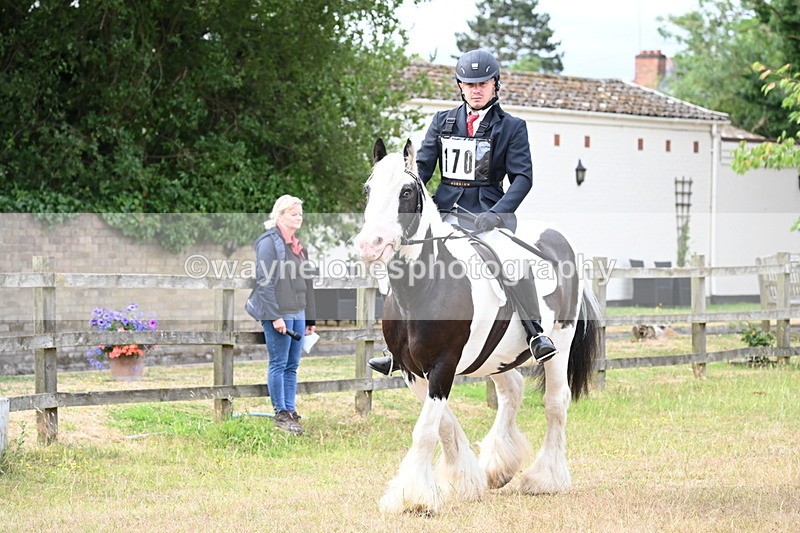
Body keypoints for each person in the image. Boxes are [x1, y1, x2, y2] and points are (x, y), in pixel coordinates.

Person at [367, 49, 556, 376]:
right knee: (401, 262)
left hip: (487, 214)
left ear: (495, 85)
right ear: (460, 87)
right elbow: (422, 169)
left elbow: (522, 178)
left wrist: (498, 213)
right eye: (470, 84)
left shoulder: (512, 127)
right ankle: (396, 347)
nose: (476, 90)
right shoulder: (442, 121)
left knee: (513, 260)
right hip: (444, 213)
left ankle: (535, 332)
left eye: (483, 83)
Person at [245, 195, 316, 434]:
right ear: (280, 215)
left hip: (299, 312)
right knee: (279, 363)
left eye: (300, 214)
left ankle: (291, 411)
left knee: (292, 365)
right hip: (279, 313)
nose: (299, 218)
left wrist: (311, 319)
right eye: (293, 214)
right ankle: (281, 413)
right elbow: (264, 283)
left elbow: (308, 283)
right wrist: (275, 316)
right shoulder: (268, 243)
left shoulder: (298, 247)